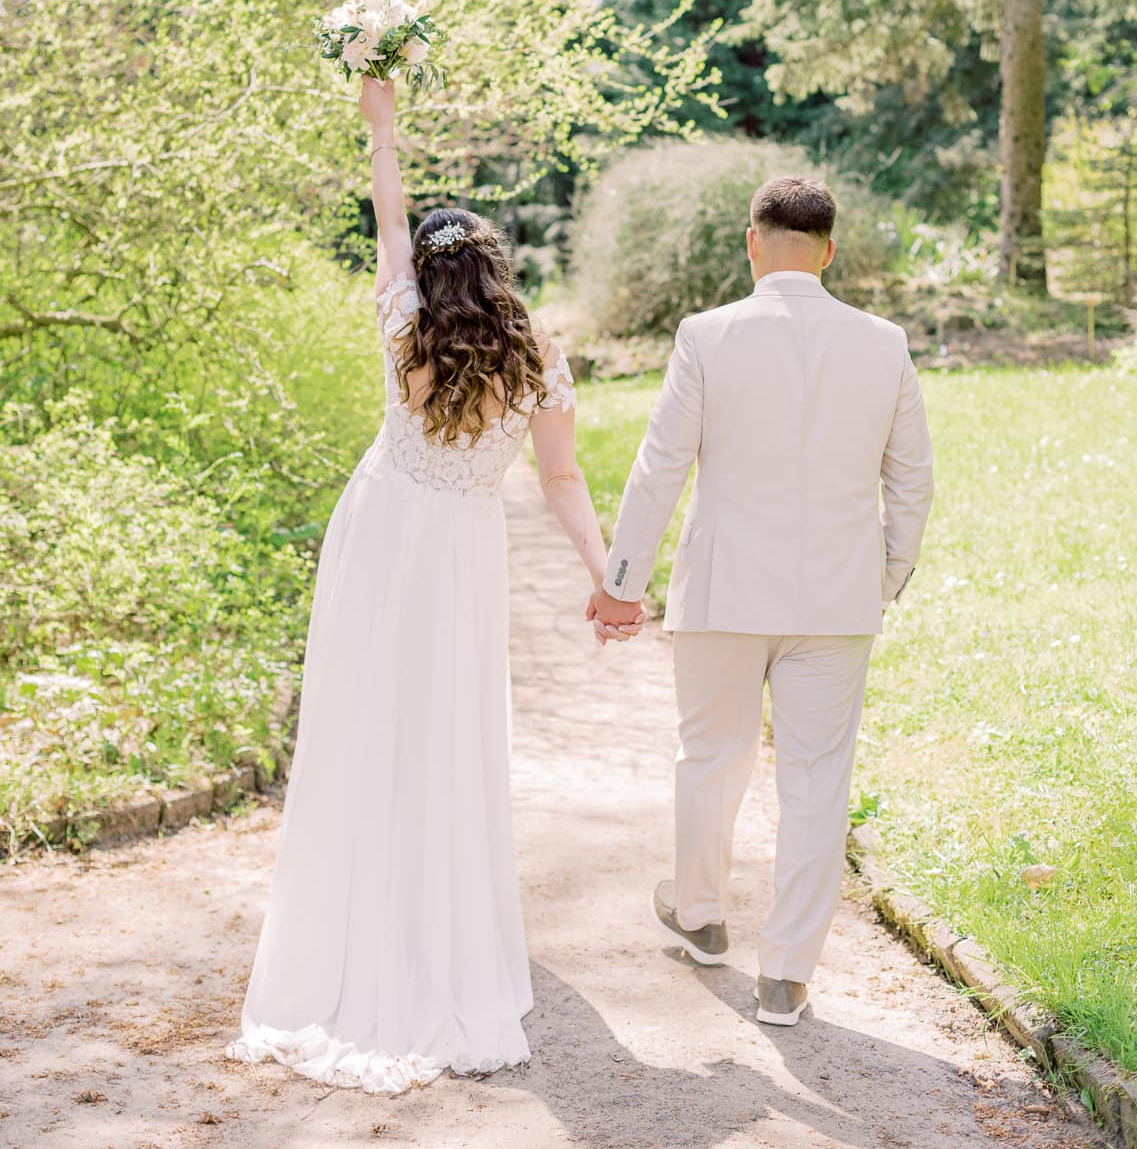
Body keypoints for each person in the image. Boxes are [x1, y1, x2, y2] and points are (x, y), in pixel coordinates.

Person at [227, 75, 642, 1095]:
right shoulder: (538, 356)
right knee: (449, 732)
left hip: (380, 537)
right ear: (499, 273)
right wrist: (611, 578)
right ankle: (444, 930)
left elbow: (386, 207)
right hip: (461, 552)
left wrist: (382, 123)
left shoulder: (402, 318)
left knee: (363, 724)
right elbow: (560, 480)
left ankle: (352, 922)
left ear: (427, 266)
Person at [588, 175, 933, 1026]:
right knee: (818, 779)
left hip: (723, 591)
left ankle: (701, 914)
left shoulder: (707, 335)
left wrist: (620, 582)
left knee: (712, 756)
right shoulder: (883, 342)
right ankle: (785, 973)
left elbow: (660, 463)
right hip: (837, 602)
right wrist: (880, 579)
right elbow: (913, 483)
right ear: (829, 249)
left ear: (752, 242)